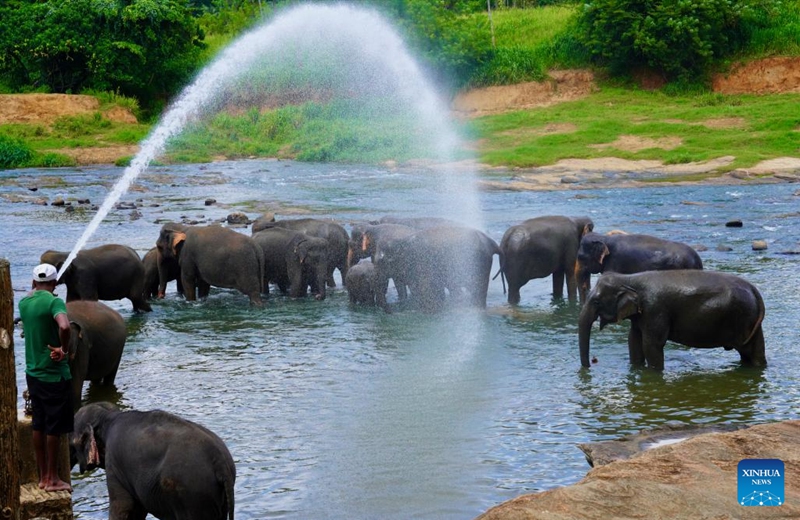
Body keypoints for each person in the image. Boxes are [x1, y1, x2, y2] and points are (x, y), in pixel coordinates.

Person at [18, 263, 73, 492]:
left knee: (38, 424)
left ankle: (42, 477)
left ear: (33, 283)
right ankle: (53, 479)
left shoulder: (24, 303)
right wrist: (63, 349)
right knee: (54, 427)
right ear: (54, 284)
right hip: (53, 375)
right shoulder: (54, 301)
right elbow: (65, 326)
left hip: (32, 373)